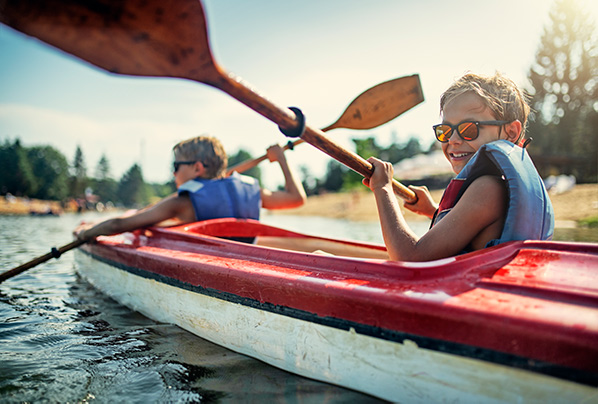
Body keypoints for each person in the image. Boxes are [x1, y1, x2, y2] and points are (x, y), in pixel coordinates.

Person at [363, 72, 554, 261]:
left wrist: (383, 188)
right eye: (445, 131)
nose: (453, 140)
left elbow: (409, 257)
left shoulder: (487, 189)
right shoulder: (494, 189)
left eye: (469, 129)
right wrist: (434, 211)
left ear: (511, 132)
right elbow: (474, 228)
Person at [75, 135, 306, 241]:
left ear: (197, 168)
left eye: (176, 166)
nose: (173, 172)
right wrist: (282, 160)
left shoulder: (181, 202)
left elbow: (119, 225)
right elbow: (296, 199)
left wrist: (86, 232)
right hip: (248, 262)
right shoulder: (251, 191)